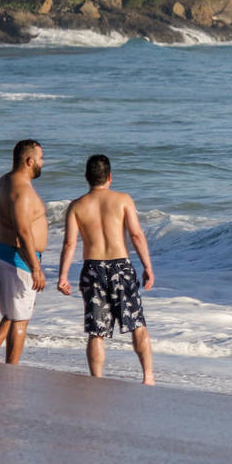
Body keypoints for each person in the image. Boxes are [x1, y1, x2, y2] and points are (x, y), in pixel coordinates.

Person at [57, 154, 154, 385]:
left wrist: (63, 276)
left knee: (96, 330)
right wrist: (147, 266)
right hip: (121, 266)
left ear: (86, 177)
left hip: (93, 269)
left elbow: (69, 244)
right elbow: (136, 235)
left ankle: (97, 380)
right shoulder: (123, 200)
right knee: (136, 324)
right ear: (110, 177)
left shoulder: (77, 206)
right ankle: (148, 377)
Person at [0, 139, 47, 364]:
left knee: (10, 314)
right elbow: (23, 231)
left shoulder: (3, 181)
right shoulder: (22, 189)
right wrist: (35, 268)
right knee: (20, 320)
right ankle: (12, 370)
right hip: (19, 260)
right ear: (29, 161)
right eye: (41, 158)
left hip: (2, 253)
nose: (43, 163)